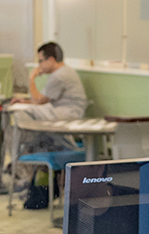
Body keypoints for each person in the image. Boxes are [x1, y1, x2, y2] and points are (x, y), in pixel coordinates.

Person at [8, 42, 90, 192]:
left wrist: (31, 78)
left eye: (41, 61)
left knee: (17, 125)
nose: (39, 66)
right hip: (62, 113)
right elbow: (43, 99)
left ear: (51, 60)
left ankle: (21, 173)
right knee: (27, 127)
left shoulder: (59, 76)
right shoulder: (65, 72)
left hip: (64, 116)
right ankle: (24, 173)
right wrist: (25, 101)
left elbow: (39, 101)